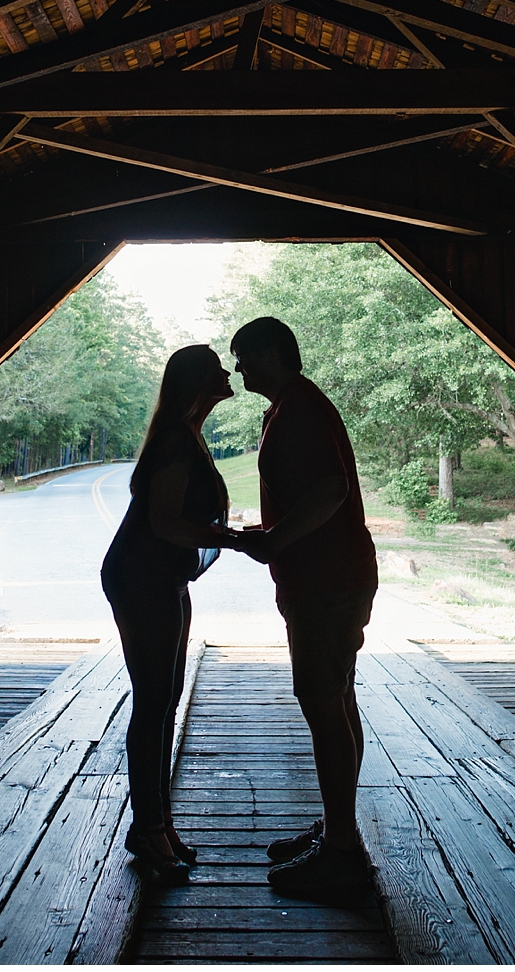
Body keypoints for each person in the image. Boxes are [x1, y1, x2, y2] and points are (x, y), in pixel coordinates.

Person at [229, 317, 379, 898]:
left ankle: (341, 854)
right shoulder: (289, 408)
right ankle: (340, 829)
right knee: (337, 700)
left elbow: (330, 491)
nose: (238, 367)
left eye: (244, 356)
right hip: (327, 577)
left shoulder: (302, 410)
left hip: (326, 580)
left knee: (323, 704)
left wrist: (274, 540)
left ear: (272, 354)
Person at [101, 344, 239, 881]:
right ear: (200, 383)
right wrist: (232, 538)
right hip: (142, 577)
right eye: (216, 368)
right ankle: (148, 828)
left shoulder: (188, 433)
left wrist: (223, 537)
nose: (227, 373)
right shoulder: (178, 442)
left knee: (166, 698)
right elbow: (165, 524)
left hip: (162, 577)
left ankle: (156, 823)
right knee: (154, 700)